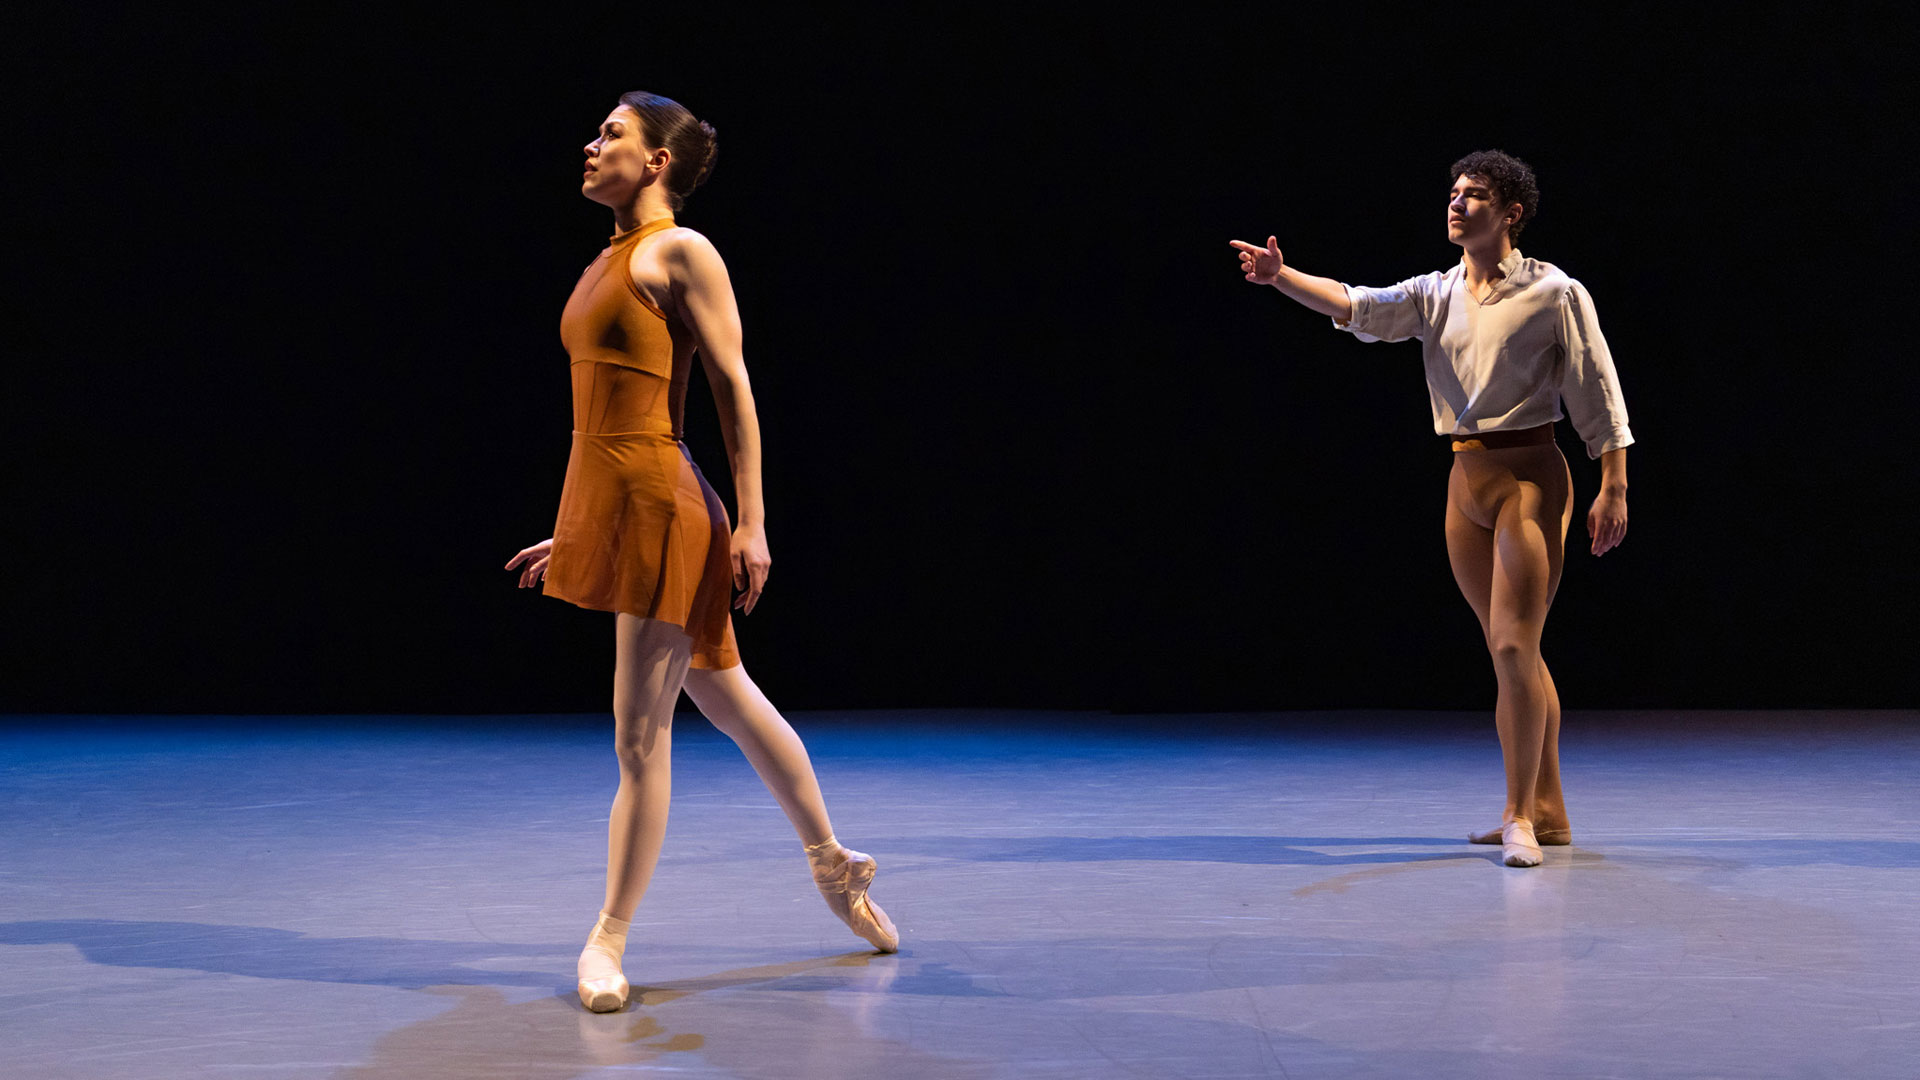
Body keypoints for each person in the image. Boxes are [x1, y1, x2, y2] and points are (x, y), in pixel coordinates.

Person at [505, 91, 897, 1013]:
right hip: (624, 503)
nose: (591, 144)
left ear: (657, 162)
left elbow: (732, 389)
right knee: (728, 696)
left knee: (638, 736)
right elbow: (601, 423)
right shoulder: (608, 259)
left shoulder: (682, 250)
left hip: (666, 509)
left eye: (612, 134)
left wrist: (753, 523)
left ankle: (607, 940)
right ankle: (833, 862)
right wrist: (579, 525)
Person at [1230, 150, 1632, 868]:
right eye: (1453, 192)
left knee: (1513, 647)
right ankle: (1549, 811)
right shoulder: (1435, 293)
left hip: (1531, 476)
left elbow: (1596, 387)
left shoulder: (1554, 291)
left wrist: (1615, 485)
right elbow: (1356, 304)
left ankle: (1518, 816)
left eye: (1474, 194)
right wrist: (1280, 277)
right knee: (1512, 651)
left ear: (1510, 213)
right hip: (1465, 481)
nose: (1456, 202)